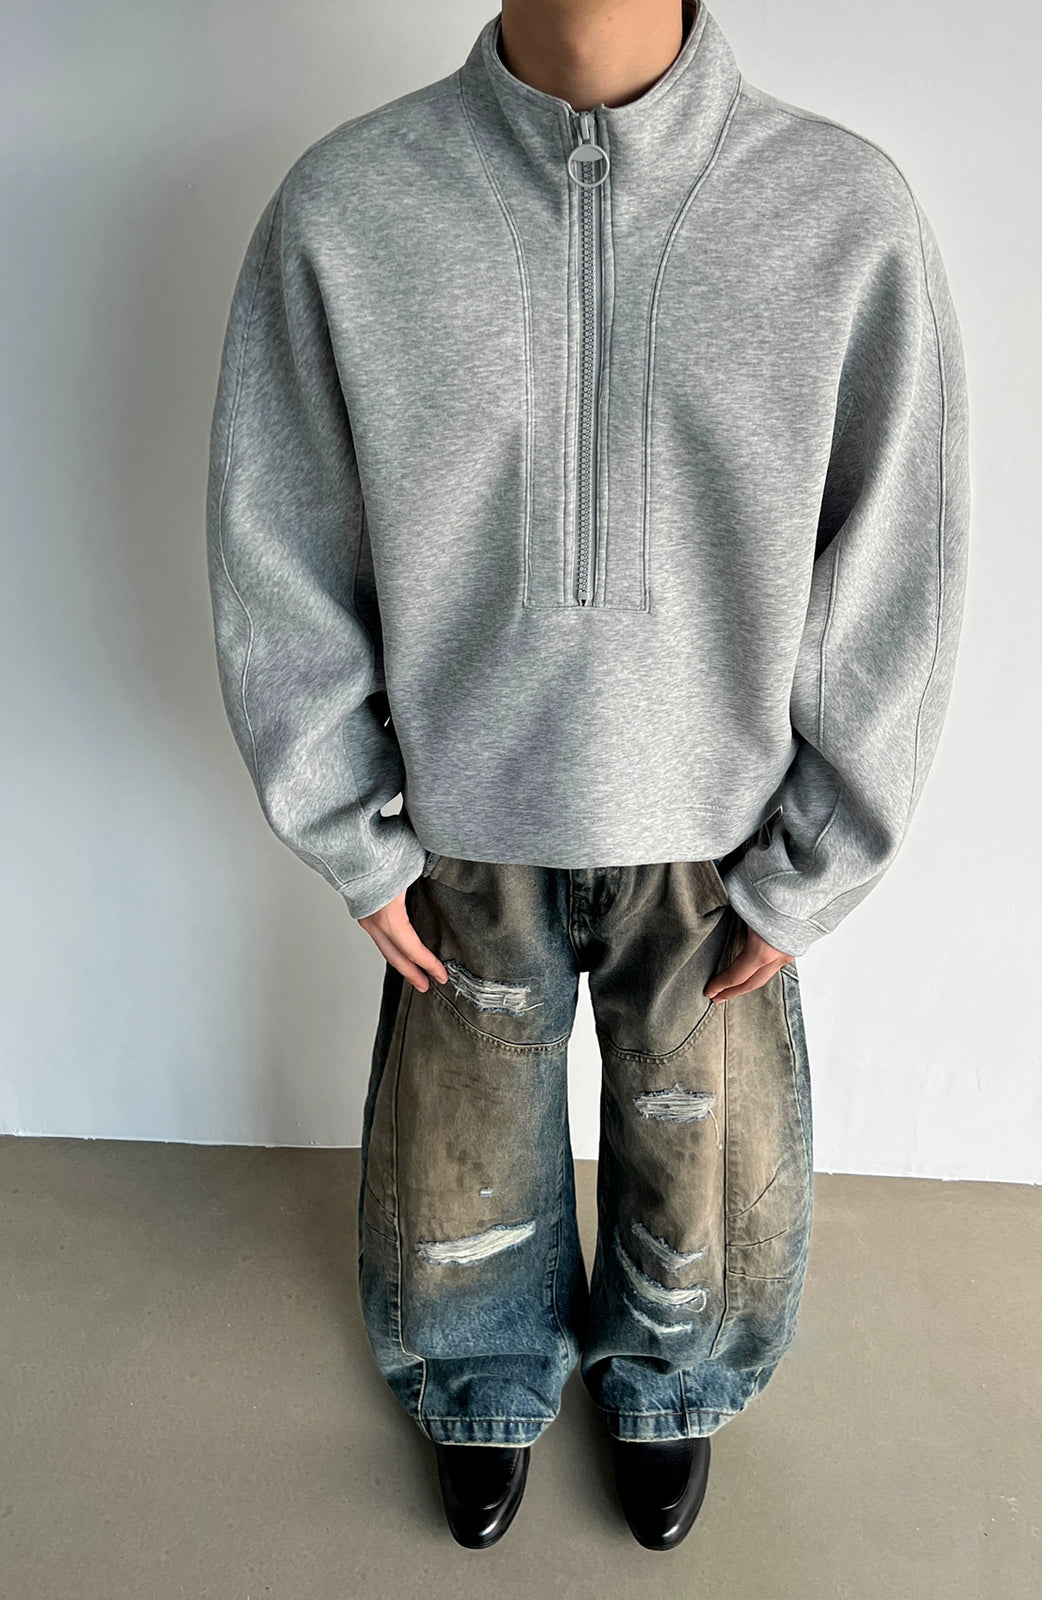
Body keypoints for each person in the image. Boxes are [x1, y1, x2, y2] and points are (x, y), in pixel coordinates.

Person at [205, 0, 969, 1553]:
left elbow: (897, 561)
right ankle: (481, 1382)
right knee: (463, 1162)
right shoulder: (351, 207)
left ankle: (672, 1383)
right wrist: (348, 823)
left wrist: (819, 854)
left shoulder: (839, 211)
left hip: (721, 827)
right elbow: (278, 537)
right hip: (461, 819)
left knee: (706, 1169)